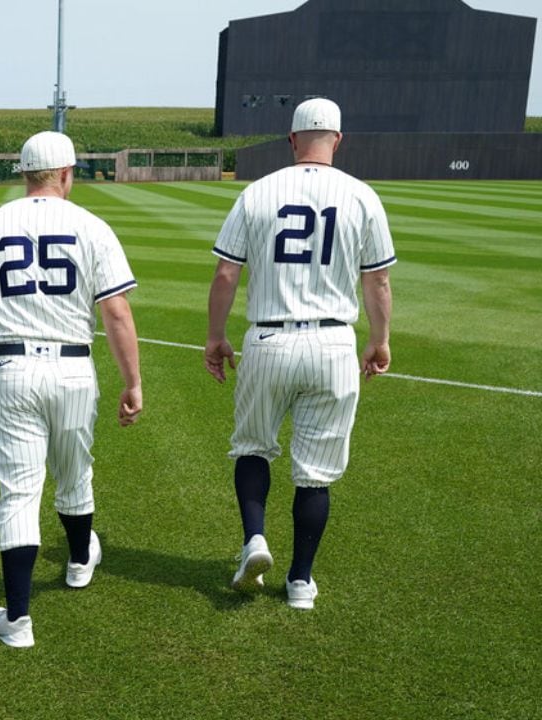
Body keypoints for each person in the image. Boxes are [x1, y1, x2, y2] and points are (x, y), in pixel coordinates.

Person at [0, 131, 143, 648]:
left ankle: (18, 619)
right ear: (66, 174)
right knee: (75, 473)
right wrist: (133, 381)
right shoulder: (91, 226)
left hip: (12, 369)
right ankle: (79, 561)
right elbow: (117, 311)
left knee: (19, 491)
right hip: (73, 368)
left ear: (26, 174)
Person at [205, 97, 396, 611]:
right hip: (334, 343)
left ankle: (255, 540)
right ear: (338, 139)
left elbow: (227, 273)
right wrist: (379, 340)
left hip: (268, 339)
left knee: (252, 447)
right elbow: (376, 279)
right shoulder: (362, 196)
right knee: (315, 472)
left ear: (291, 140)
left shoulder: (258, 192)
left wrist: (215, 337)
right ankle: (301, 582)